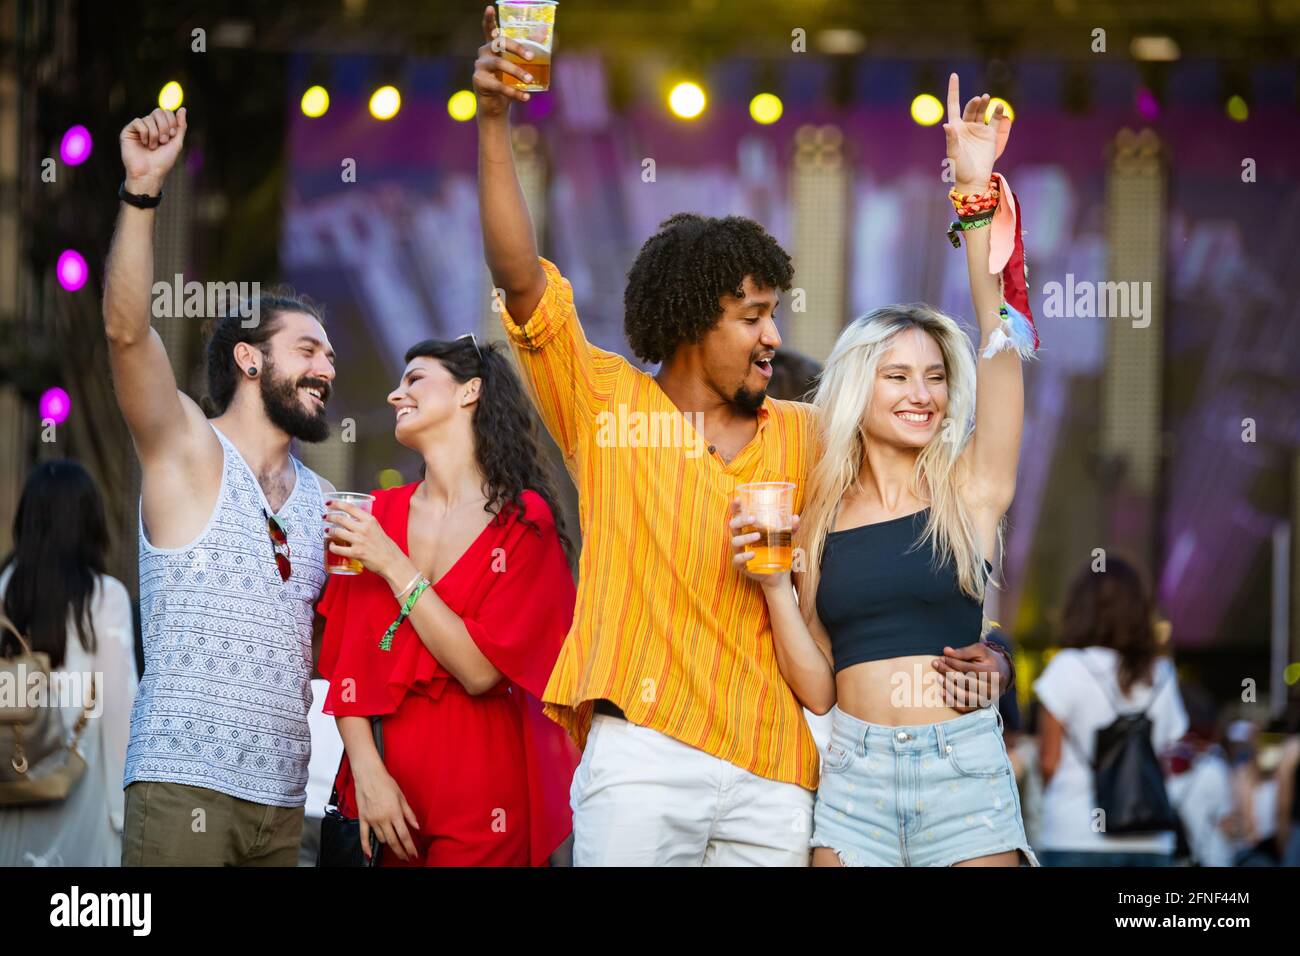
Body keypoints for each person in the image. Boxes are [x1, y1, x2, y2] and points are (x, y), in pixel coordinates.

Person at [473, 11, 1012, 866]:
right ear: (692, 320)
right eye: (753, 315)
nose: (773, 336)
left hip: (777, 770)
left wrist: (993, 655)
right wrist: (496, 118)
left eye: (776, 315)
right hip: (642, 755)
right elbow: (518, 275)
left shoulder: (809, 437)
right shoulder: (604, 403)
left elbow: (917, 514)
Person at [732, 76, 1035, 866]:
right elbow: (822, 688)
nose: (922, 394)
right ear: (859, 385)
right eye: (897, 376)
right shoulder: (820, 510)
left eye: (935, 376)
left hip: (962, 773)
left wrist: (972, 195)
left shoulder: (967, 492)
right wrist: (772, 589)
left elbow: (1001, 347)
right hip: (854, 780)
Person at [104, 105, 336, 866]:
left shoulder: (329, 505)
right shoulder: (188, 449)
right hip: (181, 790)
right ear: (248, 360)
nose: (327, 370)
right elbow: (128, 334)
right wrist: (142, 194)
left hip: (283, 806)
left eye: (331, 357)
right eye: (308, 349)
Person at [318, 336, 578, 866]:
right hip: (380, 787)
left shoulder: (524, 521)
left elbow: (480, 672)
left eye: (414, 379)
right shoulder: (378, 514)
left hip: (483, 792)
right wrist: (367, 775)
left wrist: (392, 564)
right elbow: (346, 668)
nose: (396, 395)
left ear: (470, 392)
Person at [0, 461, 138, 865]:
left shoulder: (3, 589)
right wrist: (122, 807)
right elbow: (119, 706)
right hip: (83, 778)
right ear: (88, 523)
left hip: (12, 768)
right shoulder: (104, 596)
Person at [1034, 557, 1188, 866]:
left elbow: (1049, 763)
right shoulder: (1162, 674)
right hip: (1149, 837)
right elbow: (1165, 755)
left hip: (1075, 833)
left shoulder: (1067, 667)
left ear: (1082, 607)